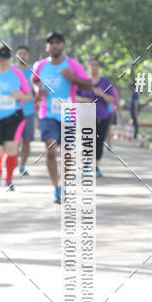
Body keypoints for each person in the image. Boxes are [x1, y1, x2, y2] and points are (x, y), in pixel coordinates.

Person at [32, 31, 90, 203]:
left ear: (63, 45)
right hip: (47, 114)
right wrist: (37, 91)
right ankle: (55, 187)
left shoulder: (73, 65)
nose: (55, 45)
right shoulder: (40, 65)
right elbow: (34, 81)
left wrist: (72, 78)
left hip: (68, 113)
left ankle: (64, 186)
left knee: (66, 153)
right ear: (47, 46)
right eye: (51, 42)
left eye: (58, 42)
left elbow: (88, 86)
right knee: (50, 151)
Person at [0, 43, 31, 191]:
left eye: (6, 58)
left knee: (11, 148)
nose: (3, 61)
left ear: (10, 58)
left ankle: (9, 179)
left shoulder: (17, 73)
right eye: (0, 58)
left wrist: (20, 96)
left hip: (14, 117)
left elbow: (29, 95)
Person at [75, 57, 119, 177]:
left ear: (99, 67)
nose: (94, 67)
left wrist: (102, 94)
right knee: (87, 139)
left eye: (96, 65)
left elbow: (112, 99)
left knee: (99, 141)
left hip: (102, 116)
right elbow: (74, 96)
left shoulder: (105, 82)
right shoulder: (83, 81)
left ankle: (96, 166)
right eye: (91, 65)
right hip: (86, 115)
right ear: (88, 67)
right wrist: (84, 100)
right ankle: (86, 165)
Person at [14, 45, 36, 176]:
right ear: (16, 55)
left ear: (28, 56)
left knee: (27, 141)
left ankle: (22, 166)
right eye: (20, 53)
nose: (22, 56)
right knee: (14, 141)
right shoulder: (10, 71)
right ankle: (13, 163)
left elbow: (39, 87)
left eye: (25, 54)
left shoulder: (33, 71)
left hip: (29, 111)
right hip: (13, 111)